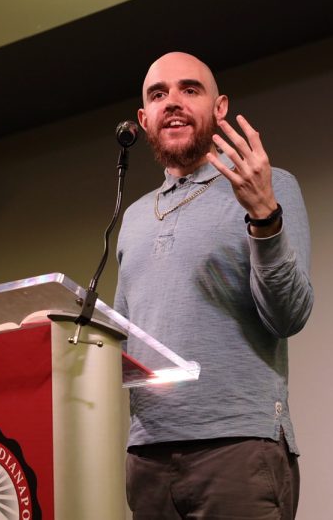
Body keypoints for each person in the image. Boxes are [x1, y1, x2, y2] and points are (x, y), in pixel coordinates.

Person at [114, 52, 314, 519]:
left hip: (238, 448)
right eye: (158, 95)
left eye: (190, 90)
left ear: (219, 107)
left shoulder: (270, 187)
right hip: (147, 455)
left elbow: (289, 316)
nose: (173, 102)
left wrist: (264, 217)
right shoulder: (135, 216)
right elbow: (123, 339)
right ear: (144, 119)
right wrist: (59, 326)